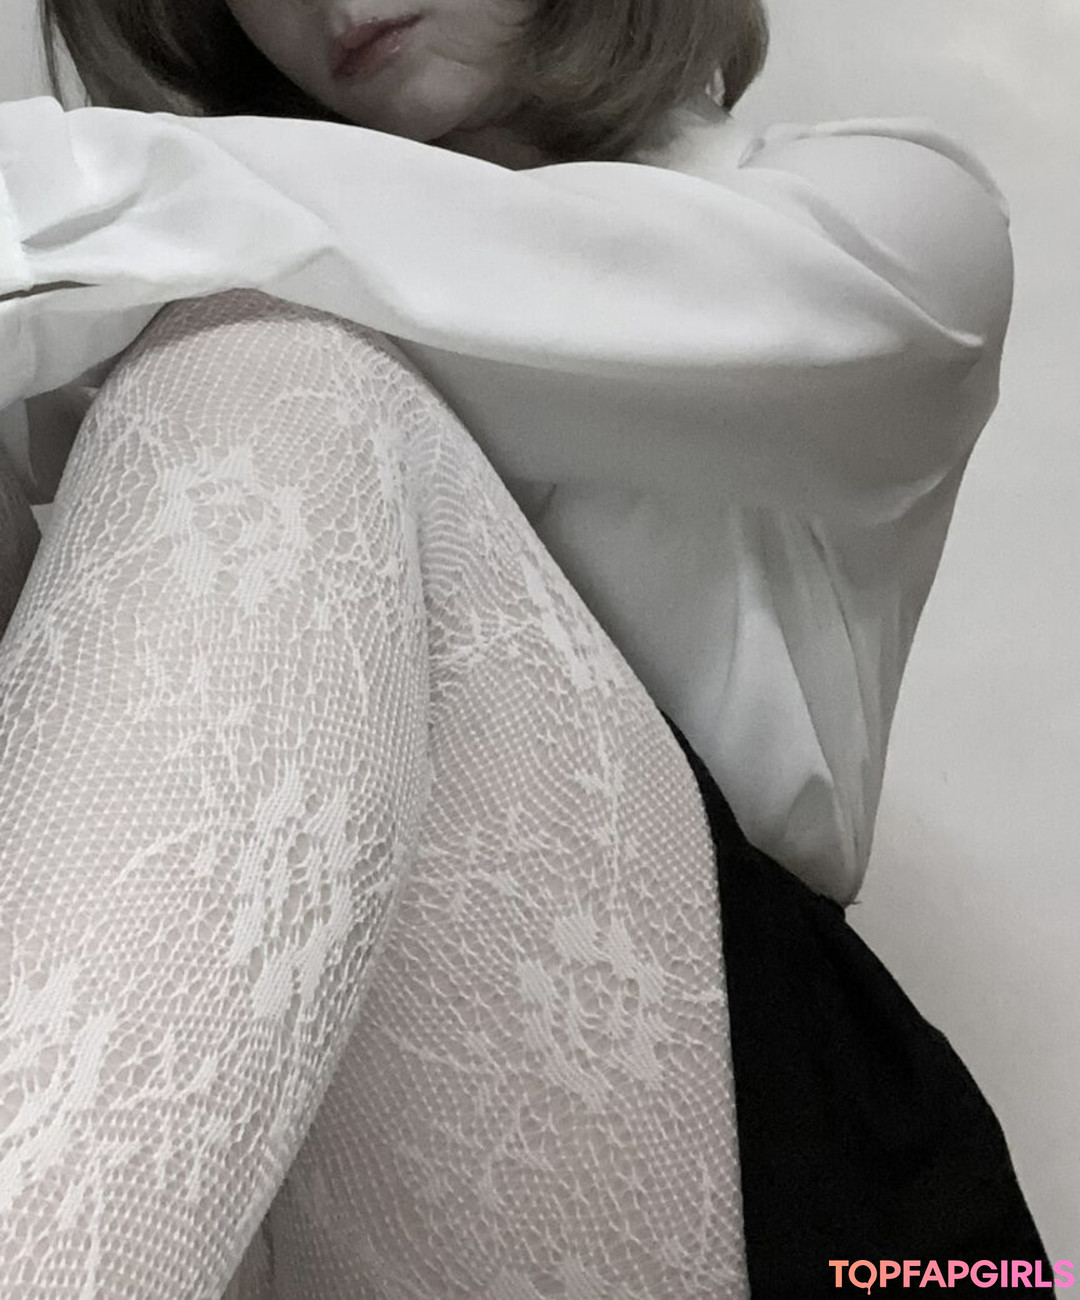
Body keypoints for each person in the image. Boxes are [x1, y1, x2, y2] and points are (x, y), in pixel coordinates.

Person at [0, 1, 1050, 1295]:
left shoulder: (895, 222)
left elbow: (484, 274)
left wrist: (53, 202)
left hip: (811, 1175)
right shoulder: (140, 290)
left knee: (268, 352)